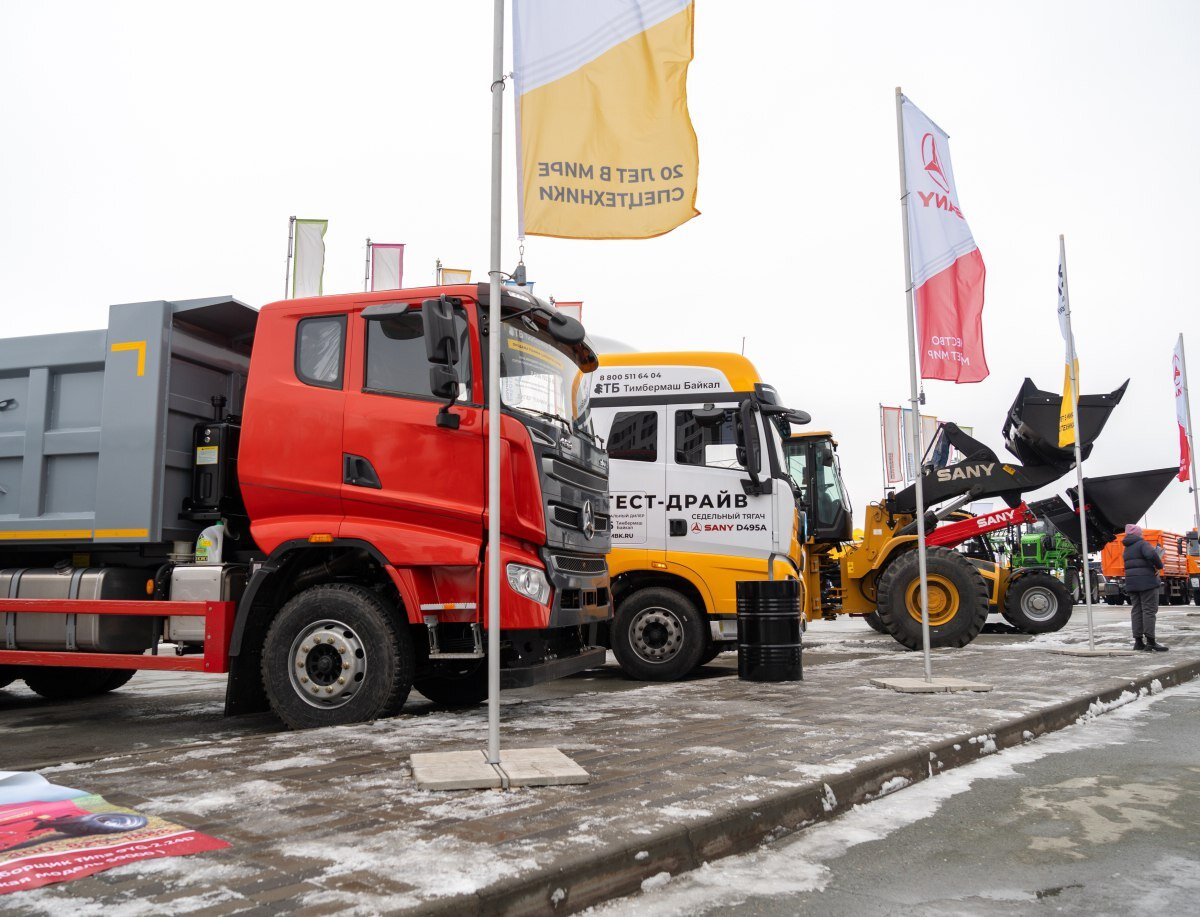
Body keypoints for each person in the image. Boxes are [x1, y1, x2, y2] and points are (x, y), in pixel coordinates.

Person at [1123, 524, 1167, 651]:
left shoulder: (1127, 548)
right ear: (1137, 534)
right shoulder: (1142, 544)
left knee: (1136, 611)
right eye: (1140, 533)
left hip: (1132, 584)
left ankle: (1138, 642)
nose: (1142, 534)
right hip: (1147, 582)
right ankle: (1151, 642)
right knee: (1149, 610)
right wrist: (1159, 566)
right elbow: (1151, 555)